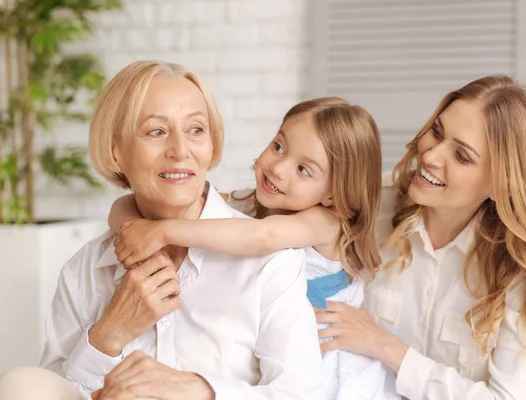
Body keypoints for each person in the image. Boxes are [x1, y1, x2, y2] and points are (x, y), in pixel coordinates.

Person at [0, 60, 324, 400]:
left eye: (196, 130)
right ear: (116, 152)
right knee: (21, 385)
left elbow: (302, 394)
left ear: (212, 143)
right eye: (156, 132)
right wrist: (107, 336)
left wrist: (199, 390)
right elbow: (53, 391)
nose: (180, 151)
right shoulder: (85, 270)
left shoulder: (270, 263)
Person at [108, 97, 399, 399]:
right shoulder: (243, 204)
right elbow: (124, 204)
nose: (279, 168)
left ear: (334, 193)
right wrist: (133, 227)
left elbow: (263, 238)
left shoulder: (326, 222)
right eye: (279, 146)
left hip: (332, 367)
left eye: (303, 169)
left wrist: (160, 231)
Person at [314, 75, 526, 399]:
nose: (430, 156)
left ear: (502, 185)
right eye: (437, 132)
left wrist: (385, 346)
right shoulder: (372, 205)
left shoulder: (517, 269)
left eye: (462, 156)